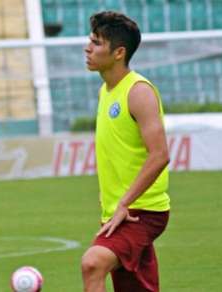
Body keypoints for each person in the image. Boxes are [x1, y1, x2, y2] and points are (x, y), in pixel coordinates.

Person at [80, 11, 171, 292]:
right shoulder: (106, 90)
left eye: (96, 42)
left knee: (93, 263)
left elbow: (160, 154)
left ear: (119, 52)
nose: (88, 47)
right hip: (118, 211)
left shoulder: (138, 91)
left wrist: (124, 203)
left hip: (141, 210)